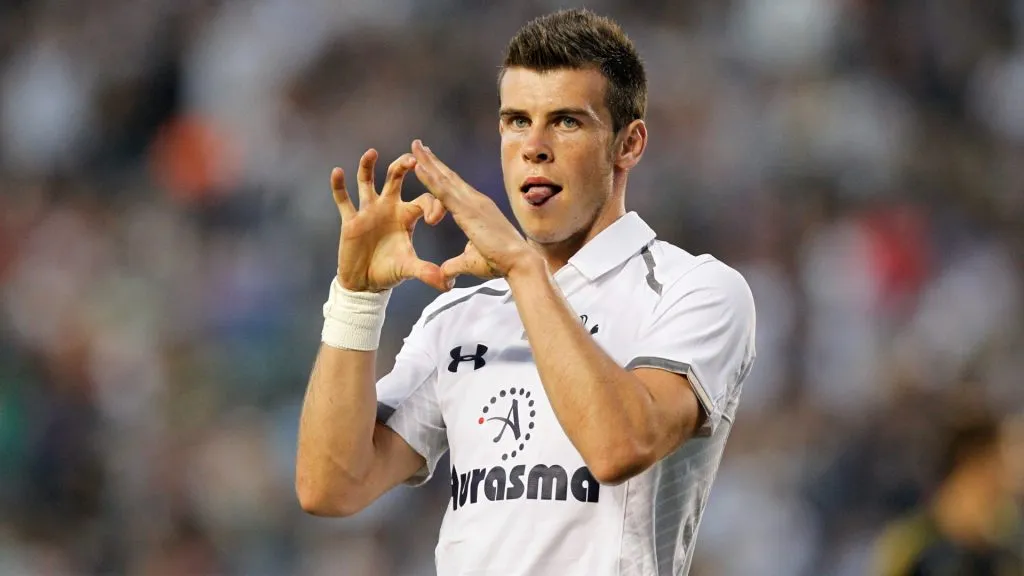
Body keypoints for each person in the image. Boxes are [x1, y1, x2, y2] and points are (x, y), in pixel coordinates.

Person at [295, 8, 756, 575]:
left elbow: (619, 447)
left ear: (628, 144)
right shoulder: (458, 318)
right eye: (517, 120)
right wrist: (356, 300)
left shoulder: (696, 290)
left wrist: (521, 266)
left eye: (566, 121)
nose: (534, 146)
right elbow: (333, 485)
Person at [872, 412, 1024, 576]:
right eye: (991, 470)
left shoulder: (1006, 548)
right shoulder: (910, 545)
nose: (1002, 485)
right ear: (964, 470)